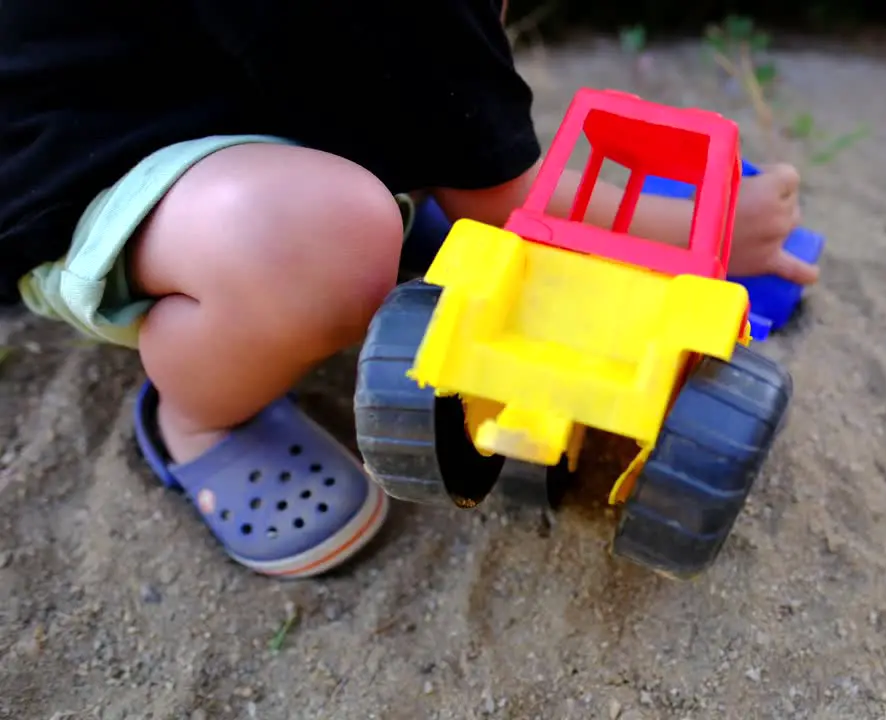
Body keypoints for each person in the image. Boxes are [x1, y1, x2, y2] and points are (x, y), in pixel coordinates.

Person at [0, 0, 820, 579]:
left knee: (418, 121)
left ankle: (393, 199)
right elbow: (501, 194)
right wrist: (701, 228)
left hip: (242, 97)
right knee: (321, 244)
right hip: (79, 164)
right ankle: (201, 415)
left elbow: (441, 79)